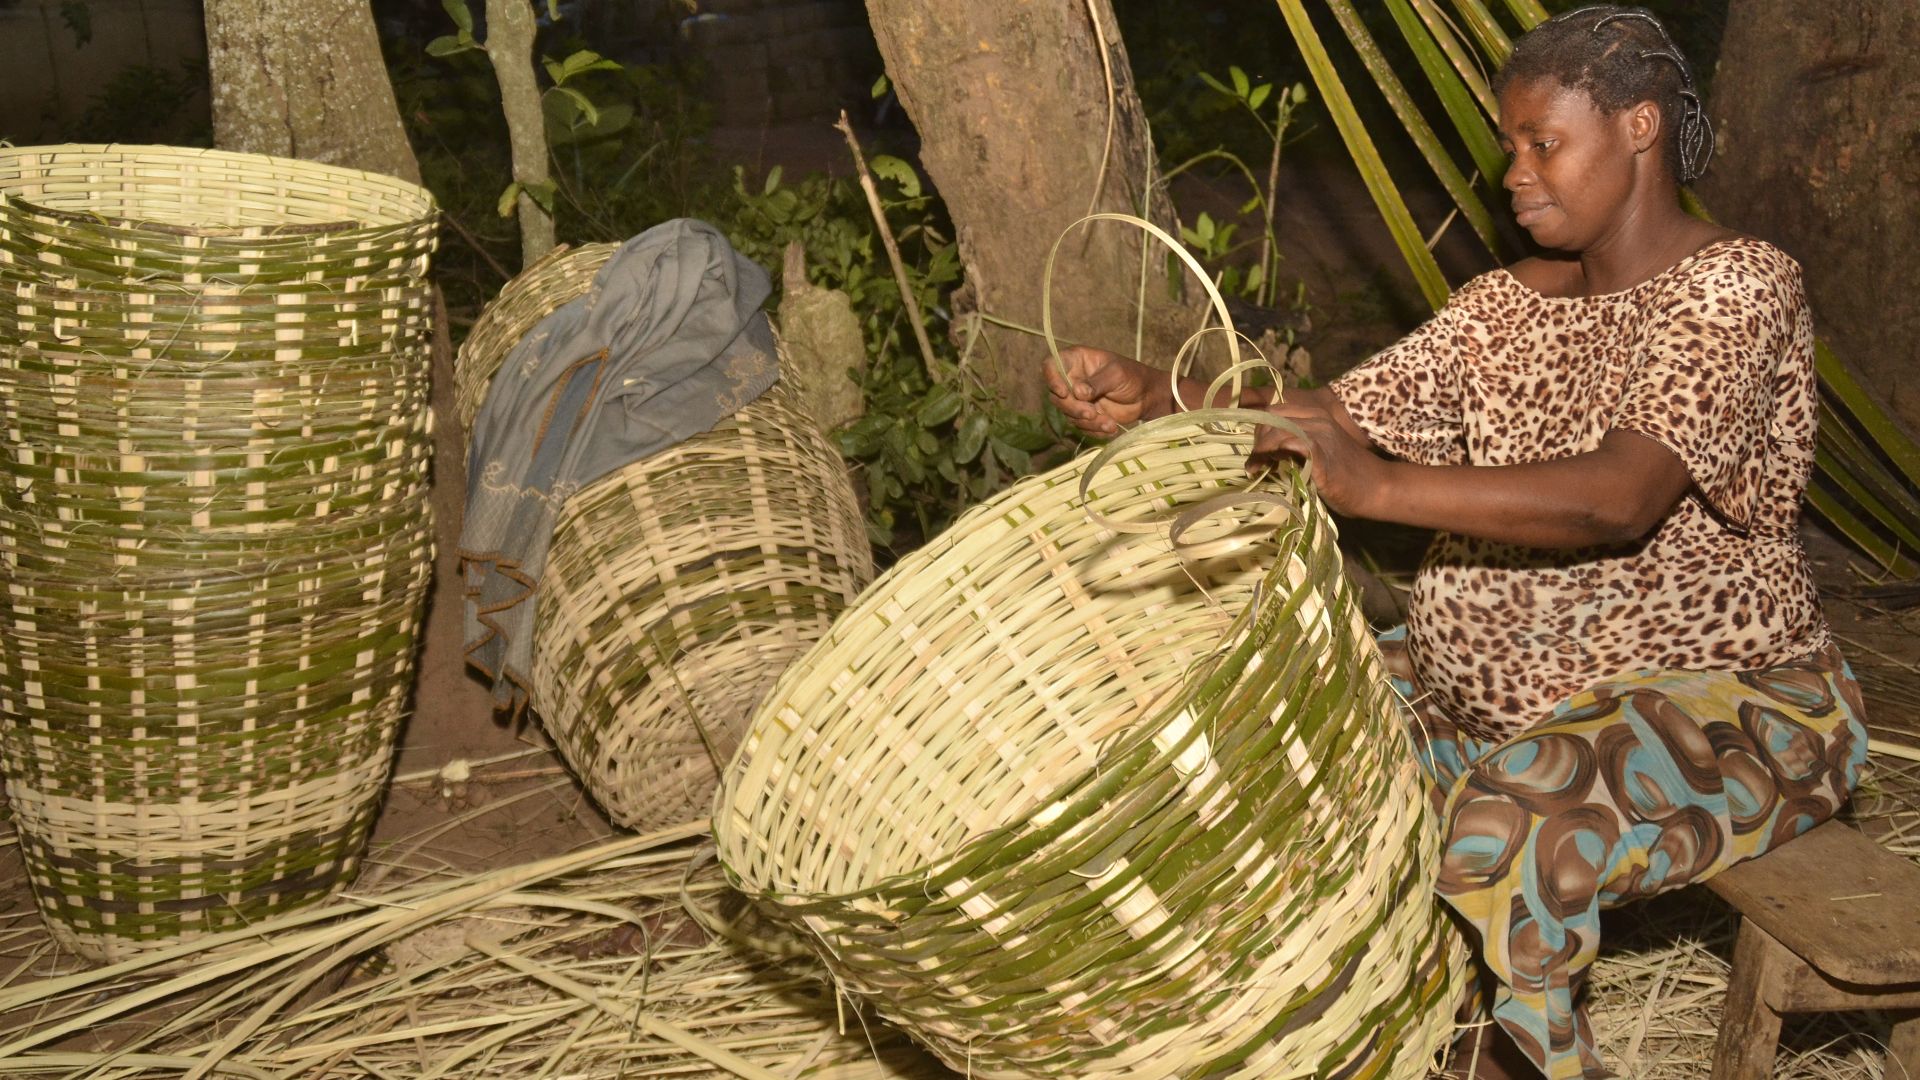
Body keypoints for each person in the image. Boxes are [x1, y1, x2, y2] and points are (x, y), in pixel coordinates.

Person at [1045, 7, 1869, 1078]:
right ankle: (1388, 1026)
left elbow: (1620, 495)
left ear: (1638, 128)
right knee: (1291, 732)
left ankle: (1517, 1062)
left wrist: (1379, 489)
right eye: (1509, 147)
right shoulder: (1505, 306)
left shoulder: (1737, 286)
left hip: (1734, 704)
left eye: (1544, 143)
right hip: (1492, 708)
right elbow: (1342, 418)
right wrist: (1166, 397)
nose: (1516, 174)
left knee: (1511, 819)